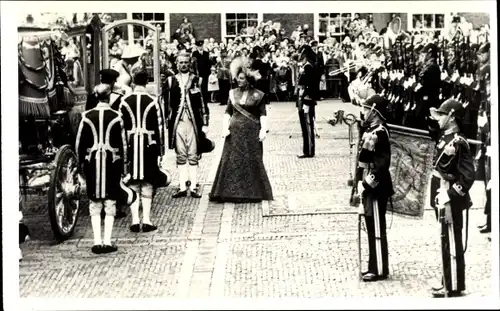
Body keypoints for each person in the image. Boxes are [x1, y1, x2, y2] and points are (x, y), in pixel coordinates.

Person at [75, 84, 137, 254]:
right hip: (112, 163)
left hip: (92, 163)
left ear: (96, 96)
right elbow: (123, 144)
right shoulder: (117, 116)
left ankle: (96, 242)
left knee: (94, 202)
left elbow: (79, 143)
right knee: (110, 201)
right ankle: (107, 242)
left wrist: (80, 165)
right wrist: (125, 167)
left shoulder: (86, 116)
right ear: (109, 97)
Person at [427, 98, 475, 298]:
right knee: (445, 239)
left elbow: (468, 176)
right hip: (442, 195)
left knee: (453, 240)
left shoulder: (459, 142)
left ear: (452, 117)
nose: (438, 118)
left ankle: (454, 284)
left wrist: (451, 193)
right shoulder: (445, 138)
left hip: (451, 198)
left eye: (442, 114)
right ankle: (448, 280)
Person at [209, 57, 273, 203]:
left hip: (251, 133)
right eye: (238, 78)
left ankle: (252, 193)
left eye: (242, 78)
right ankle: (230, 192)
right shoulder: (232, 93)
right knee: (231, 161)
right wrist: (225, 127)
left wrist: (263, 129)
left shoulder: (258, 95)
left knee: (251, 161)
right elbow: (227, 112)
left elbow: (263, 113)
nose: (239, 81)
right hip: (234, 133)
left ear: (249, 79)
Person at [119, 70, 165, 233]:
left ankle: (134, 220)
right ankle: (146, 220)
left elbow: (121, 127)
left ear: (133, 82)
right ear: (146, 83)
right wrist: (161, 151)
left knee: (132, 182)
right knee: (147, 182)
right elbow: (159, 127)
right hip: (149, 146)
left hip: (130, 145)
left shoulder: (124, 101)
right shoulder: (153, 101)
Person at [162, 52, 210, 199]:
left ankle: (194, 186)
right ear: (176, 63)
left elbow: (203, 102)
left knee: (193, 154)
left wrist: (205, 122)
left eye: (185, 62)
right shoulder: (170, 81)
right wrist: (166, 121)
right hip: (177, 123)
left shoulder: (198, 80)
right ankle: (182, 186)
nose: (183, 65)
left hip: (193, 122)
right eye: (180, 62)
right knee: (181, 154)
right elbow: (166, 104)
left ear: (190, 63)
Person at [356, 94, 393, 282]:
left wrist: (365, 184)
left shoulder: (379, 132)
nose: (363, 112)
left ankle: (378, 268)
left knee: (377, 229)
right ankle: (373, 265)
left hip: (377, 186)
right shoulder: (371, 129)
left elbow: (380, 166)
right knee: (370, 227)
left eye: (365, 108)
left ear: (375, 111)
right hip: (369, 184)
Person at [85, 69, 128, 219]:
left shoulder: (91, 97)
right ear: (112, 82)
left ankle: (97, 204)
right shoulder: (117, 98)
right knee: (113, 175)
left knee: (96, 174)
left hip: (94, 142)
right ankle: (113, 206)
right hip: (112, 142)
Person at [296, 45, 317, 158]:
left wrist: (307, 101)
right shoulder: (306, 66)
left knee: (308, 126)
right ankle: (307, 150)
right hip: (302, 98)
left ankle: (309, 151)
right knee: (305, 126)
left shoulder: (308, 67)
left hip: (306, 99)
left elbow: (311, 87)